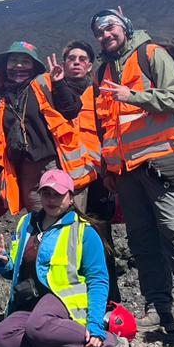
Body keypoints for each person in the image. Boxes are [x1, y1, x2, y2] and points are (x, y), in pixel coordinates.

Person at [91, 7, 174, 343]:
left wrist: (134, 96)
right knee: (142, 244)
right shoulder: (103, 71)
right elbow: (108, 127)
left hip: (160, 163)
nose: (105, 35)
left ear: (125, 27)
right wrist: (110, 169)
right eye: (98, 32)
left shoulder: (151, 54)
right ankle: (158, 309)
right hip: (126, 173)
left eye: (109, 27)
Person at [0, 171, 127, 347]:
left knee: (38, 327)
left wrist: (96, 325)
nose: (51, 200)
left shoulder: (83, 231)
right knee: (2, 338)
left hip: (65, 301)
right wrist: (2, 262)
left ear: (71, 196)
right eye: (46, 194)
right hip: (31, 304)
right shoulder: (27, 223)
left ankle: (110, 345)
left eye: (58, 194)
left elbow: (98, 280)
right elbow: (16, 269)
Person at [0, 25, 91, 216]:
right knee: (39, 219)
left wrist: (59, 83)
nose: (19, 66)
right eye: (13, 61)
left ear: (34, 67)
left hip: (52, 164)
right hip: (25, 170)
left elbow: (71, 110)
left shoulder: (43, 84)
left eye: (25, 61)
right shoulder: (6, 94)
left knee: (64, 217)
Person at [57, 40, 117, 298]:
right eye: (72, 58)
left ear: (90, 65)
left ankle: (110, 299)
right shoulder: (50, 92)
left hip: (97, 178)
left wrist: (112, 171)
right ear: (64, 63)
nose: (77, 62)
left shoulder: (99, 93)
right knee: (69, 242)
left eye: (83, 58)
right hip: (65, 182)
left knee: (102, 241)